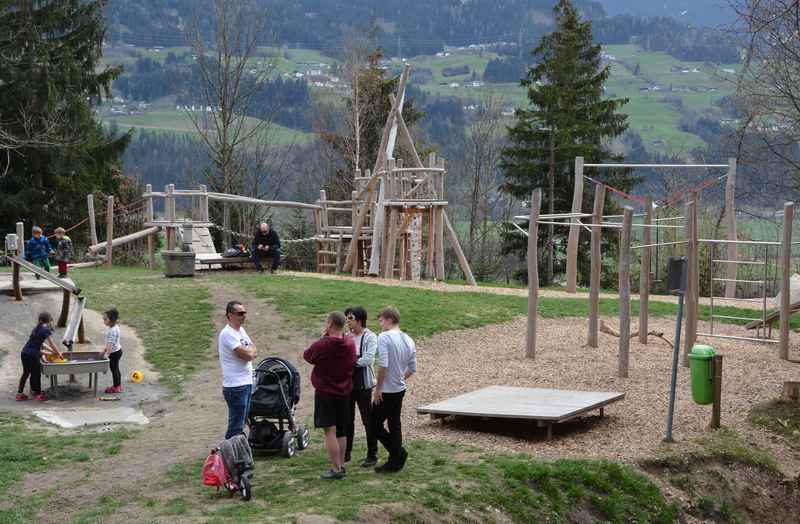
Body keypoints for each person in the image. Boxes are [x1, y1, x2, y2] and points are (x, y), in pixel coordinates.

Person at [303, 312, 357, 480]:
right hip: (344, 391)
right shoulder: (349, 343)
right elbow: (353, 362)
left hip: (326, 392)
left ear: (331, 324)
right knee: (342, 430)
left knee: (330, 431)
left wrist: (322, 338)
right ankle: (341, 465)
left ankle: (336, 468)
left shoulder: (323, 344)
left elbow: (308, 356)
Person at [371, 306, 416, 473]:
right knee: (394, 423)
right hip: (399, 389)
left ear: (389, 319)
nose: (380, 324)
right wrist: (400, 378)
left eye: (381, 320)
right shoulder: (408, 339)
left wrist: (378, 389)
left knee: (374, 424)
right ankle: (396, 458)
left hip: (387, 391)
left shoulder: (384, 337)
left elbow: (383, 365)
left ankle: (398, 454)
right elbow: (412, 368)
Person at [343, 306, 378, 467]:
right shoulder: (347, 337)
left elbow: (368, 359)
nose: (348, 322)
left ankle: (372, 454)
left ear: (359, 320)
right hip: (347, 384)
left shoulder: (370, 337)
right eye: (347, 318)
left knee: (367, 419)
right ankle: (346, 452)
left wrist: (348, 363)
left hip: (363, 385)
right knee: (347, 420)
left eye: (350, 318)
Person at [218, 301, 257, 439]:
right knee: (236, 425)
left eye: (244, 313)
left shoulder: (240, 331)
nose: (244, 316)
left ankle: (236, 454)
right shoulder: (227, 334)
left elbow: (253, 348)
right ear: (230, 315)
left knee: (241, 422)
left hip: (245, 383)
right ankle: (227, 456)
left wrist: (250, 352)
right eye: (240, 313)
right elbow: (247, 355)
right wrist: (250, 353)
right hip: (235, 387)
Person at [17, 312, 63, 401]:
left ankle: (19, 394)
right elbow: (51, 344)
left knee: (26, 373)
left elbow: (42, 345)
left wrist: (54, 352)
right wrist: (58, 353)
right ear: (49, 321)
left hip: (24, 353)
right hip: (33, 355)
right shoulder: (46, 330)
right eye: (51, 321)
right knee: (36, 374)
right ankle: (38, 394)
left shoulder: (36, 329)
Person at [102, 308, 124, 394]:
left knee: (114, 369)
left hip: (114, 353)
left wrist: (106, 355)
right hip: (117, 351)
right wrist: (104, 351)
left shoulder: (113, 331)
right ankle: (118, 386)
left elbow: (110, 346)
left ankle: (116, 387)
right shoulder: (115, 327)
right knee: (116, 369)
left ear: (111, 320)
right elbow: (109, 344)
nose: (104, 321)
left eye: (105, 319)